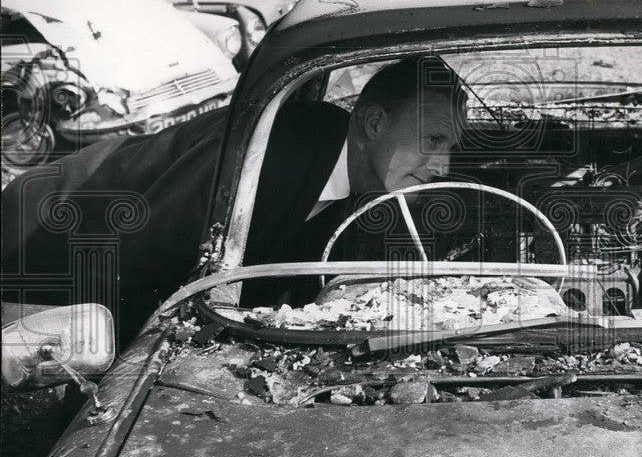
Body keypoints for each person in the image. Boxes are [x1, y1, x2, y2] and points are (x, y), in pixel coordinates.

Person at [1, 55, 468, 343]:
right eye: (434, 138)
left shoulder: (349, 171)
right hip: (42, 235)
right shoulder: (274, 155)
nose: (443, 166)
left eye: (450, 146)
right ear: (374, 123)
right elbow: (142, 249)